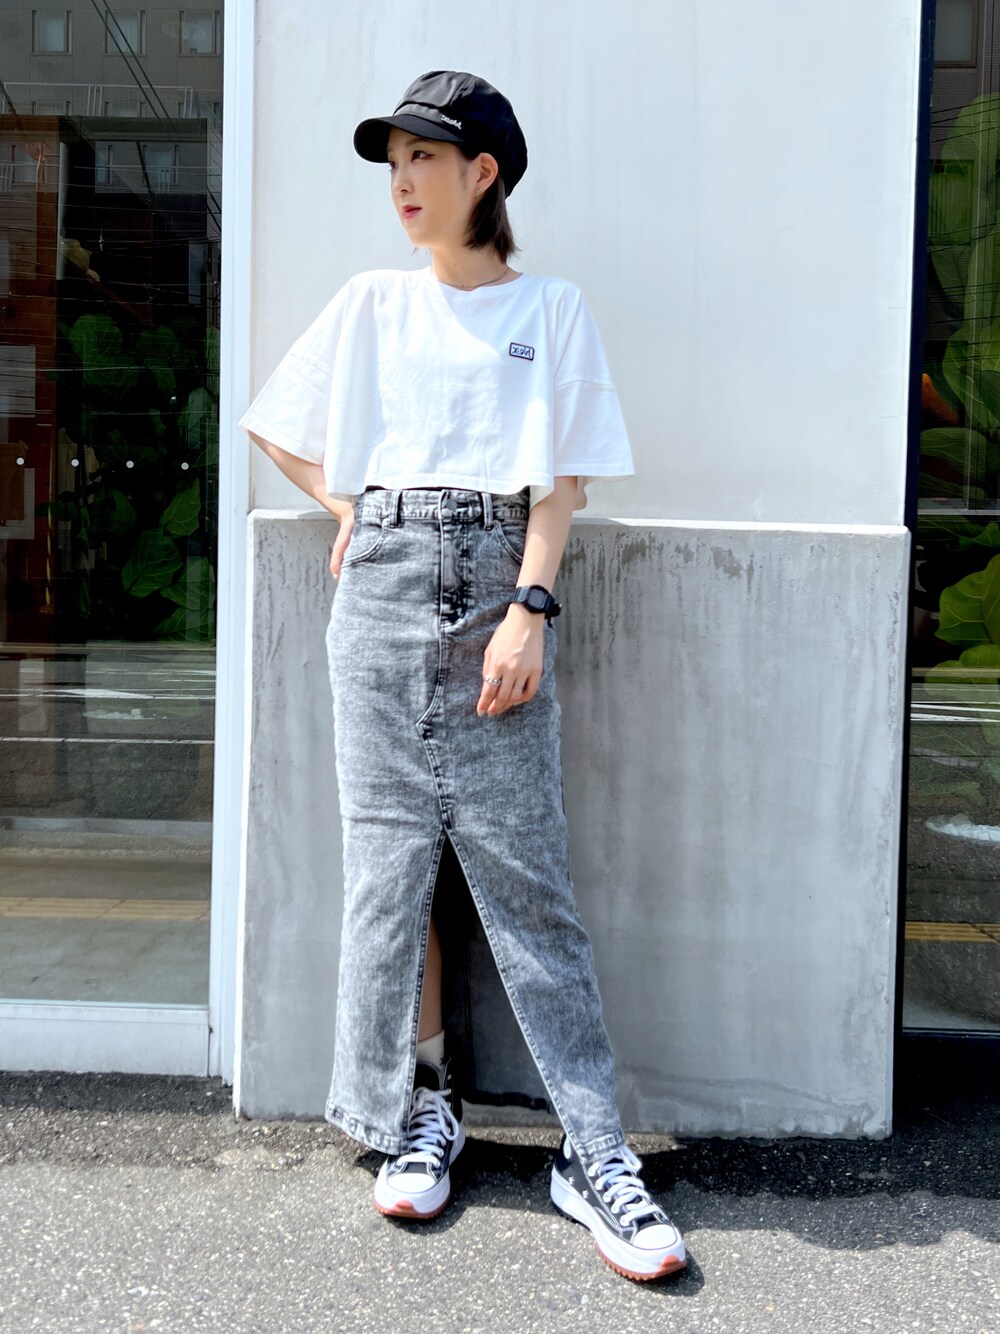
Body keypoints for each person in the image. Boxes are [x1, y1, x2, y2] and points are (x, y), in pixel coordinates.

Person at [238, 69, 686, 1283]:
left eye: (423, 159)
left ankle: (592, 1150)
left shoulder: (550, 308)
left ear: (483, 172)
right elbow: (272, 419)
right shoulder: (371, 303)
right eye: (392, 161)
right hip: (380, 586)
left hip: (497, 582)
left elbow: (562, 483)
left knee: (526, 879)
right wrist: (350, 505)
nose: (400, 182)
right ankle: (417, 1104)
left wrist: (528, 608)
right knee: (389, 870)